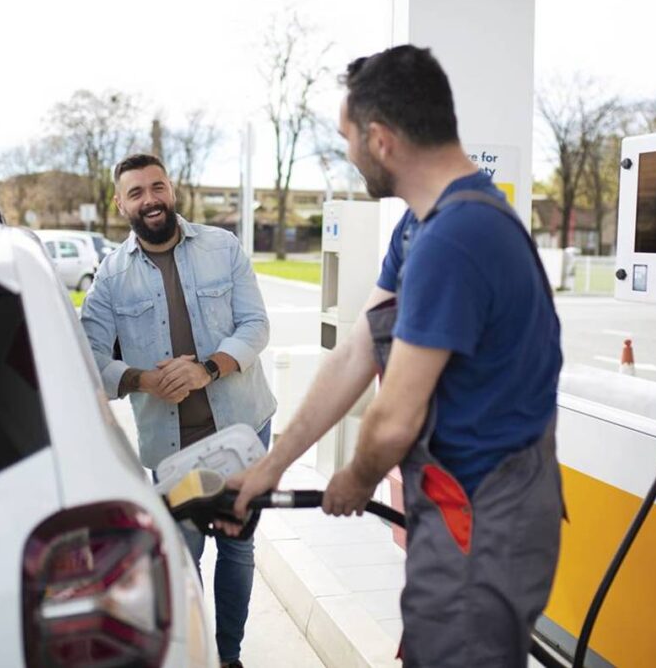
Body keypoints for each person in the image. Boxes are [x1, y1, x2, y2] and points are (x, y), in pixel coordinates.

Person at [228, 45, 564, 667]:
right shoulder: (420, 225)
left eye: (347, 138)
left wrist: (353, 480)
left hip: (483, 521)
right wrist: (271, 467)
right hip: (458, 508)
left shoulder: (458, 237)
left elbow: (394, 417)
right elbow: (358, 348)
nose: (348, 153)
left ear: (380, 140)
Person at [81, 153, 276, 668]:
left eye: (157, 186)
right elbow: (88, 353)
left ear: (172, 190)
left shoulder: (222, 246)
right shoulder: (110, 277)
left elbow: (255, 325)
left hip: (241, 429)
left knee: (237, 546)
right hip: (176, 448)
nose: (150, 199)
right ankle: (190, 658)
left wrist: (207, 368)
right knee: (182, 557)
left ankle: (228, 657)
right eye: (137, 192)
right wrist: (143, 379)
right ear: (121, 203)